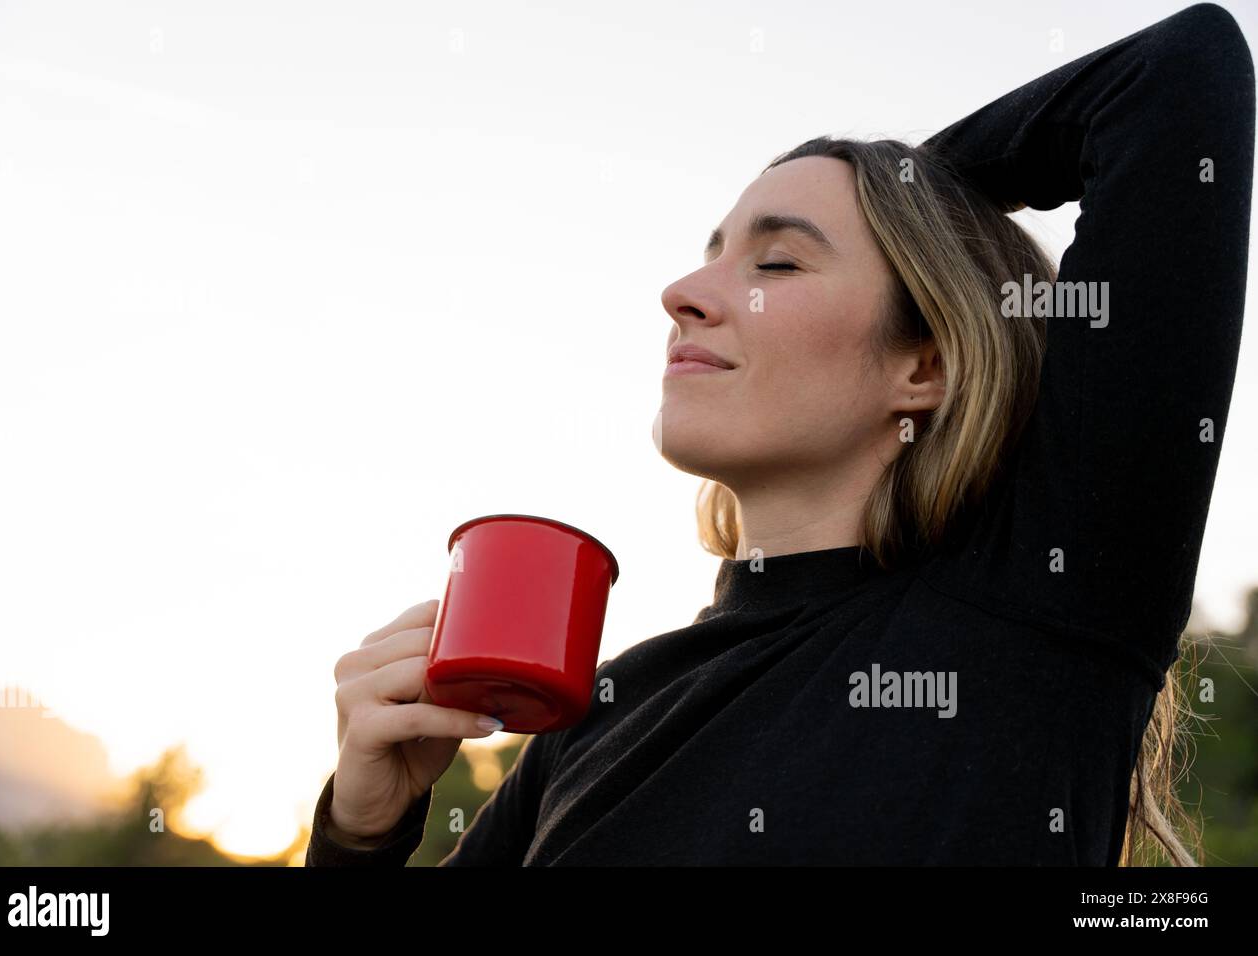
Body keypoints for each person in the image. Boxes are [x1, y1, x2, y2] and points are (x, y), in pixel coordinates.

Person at [306, 3, 1253, 866]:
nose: (683, 294)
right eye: (712, 252)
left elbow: (1180, 75)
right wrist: (361, 830)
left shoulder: (1040, 597)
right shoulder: (595, 717)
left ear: (921, 366)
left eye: (779, 260)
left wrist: (905, 193)